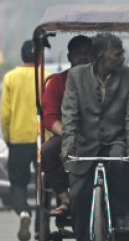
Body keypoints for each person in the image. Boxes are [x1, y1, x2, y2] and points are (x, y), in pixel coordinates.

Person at [62, 34, 129, 241]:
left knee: (119, 162)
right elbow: (70, 114)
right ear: (101, 57)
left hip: (115, 142)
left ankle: (119, 213)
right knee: (78, 200)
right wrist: (68, 146)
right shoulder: (76, 77)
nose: (122, 57)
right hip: (83, 145)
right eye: (117, 53)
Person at [40, 35, 93, 216]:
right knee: (47, 151)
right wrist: (67, 134)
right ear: (70, 57)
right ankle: (65, 198)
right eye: (78, 54)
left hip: (102, 134)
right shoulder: (58, 82)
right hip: (68, 134)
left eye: (87, 54)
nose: (83, 58)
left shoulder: (105, 79)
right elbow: (49, 117)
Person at [0, 40, 42, 241]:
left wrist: (8, 137)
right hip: (43, 139)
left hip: (17, 138)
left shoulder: (10, 77)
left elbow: (5, 114)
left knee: (18, 181)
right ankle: (39, 230)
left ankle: (23, 211)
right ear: (40, 56)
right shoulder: (47, 77)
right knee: (44, 184)